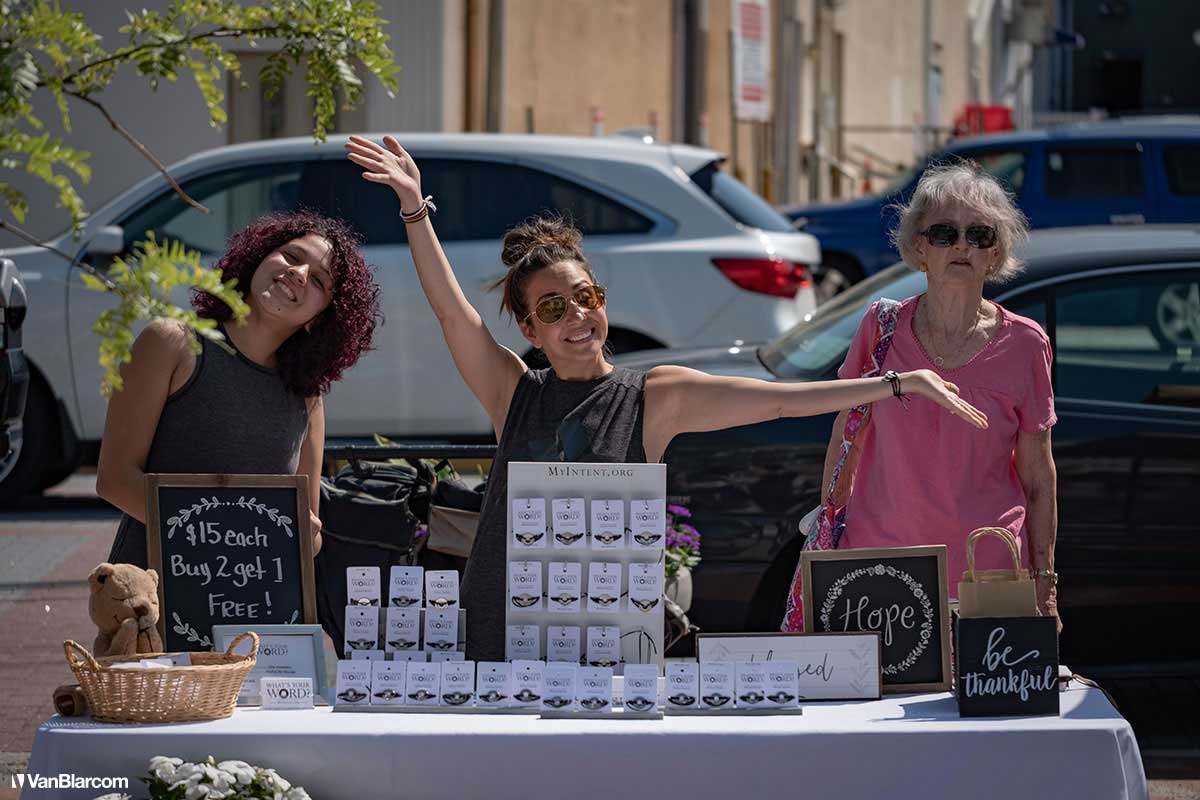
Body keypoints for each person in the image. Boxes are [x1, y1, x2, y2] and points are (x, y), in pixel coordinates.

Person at [345, 135, 988, 660]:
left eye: (585, 297)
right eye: (552, 307)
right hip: (504, 628)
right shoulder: (513, 391)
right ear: (530, 329)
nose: (576, 316)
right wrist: (414, 208)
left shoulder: (653, 395)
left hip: (612, 643)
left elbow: (779, 401)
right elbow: (452, 313)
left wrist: (895, 384)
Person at [783, 162, 1060, 633]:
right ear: (918, 247)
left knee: (978, 706)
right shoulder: (880, 328)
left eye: (980, 235)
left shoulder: (1026, 343)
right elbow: (843, 438)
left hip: (984, 569)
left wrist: (1045, 585)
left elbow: (1039, 478)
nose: (962, 246)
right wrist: (831, 534)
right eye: (945, 233)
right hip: (880, 562)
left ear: (995, 255)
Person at [98, 211, 382, 568]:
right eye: (292, 257)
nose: (298, 273)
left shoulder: (308, 396)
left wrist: (307, 533)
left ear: (320, 319)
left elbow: (309, 535)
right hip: (150, 601)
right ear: (257, 259)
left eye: (319, 281)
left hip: (256, 605)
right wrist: (237, 531)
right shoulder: (170, 341)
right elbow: (114, 479)